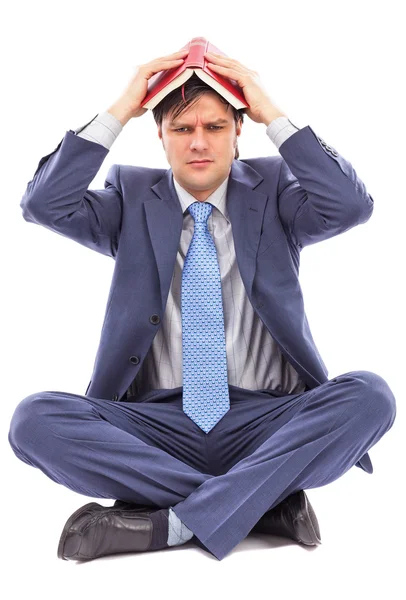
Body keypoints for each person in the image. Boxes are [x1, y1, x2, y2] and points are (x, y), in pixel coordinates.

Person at [8, 48, 396, 563]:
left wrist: (272, 113)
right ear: (160, 135)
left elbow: (351, 206)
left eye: (214, 127)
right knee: (33, 420)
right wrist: (122, 107)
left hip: (267, 421)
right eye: (181, 127)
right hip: (155, 426)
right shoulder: (130, 195)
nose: (197, 142)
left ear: (239, 133)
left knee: (372, 396)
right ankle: (260, 503)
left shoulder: (275, 190)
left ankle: (168, 523)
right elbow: (44, 204)